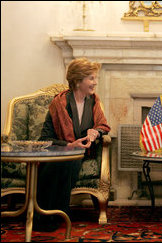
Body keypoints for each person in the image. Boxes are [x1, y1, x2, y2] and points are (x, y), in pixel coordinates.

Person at [33, 57, 111, 232]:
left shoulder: (94, 102)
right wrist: (68, 145)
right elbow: (45, 138)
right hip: (60, 153)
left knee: (72, 160)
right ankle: (47, 215)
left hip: (82, 154)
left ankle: (53, 214)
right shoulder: (59, 104)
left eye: (95, 78)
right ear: (78, 81)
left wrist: (95, 132)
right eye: (91, 78)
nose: (95, 83)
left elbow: (103, 127)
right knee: (63, 161)